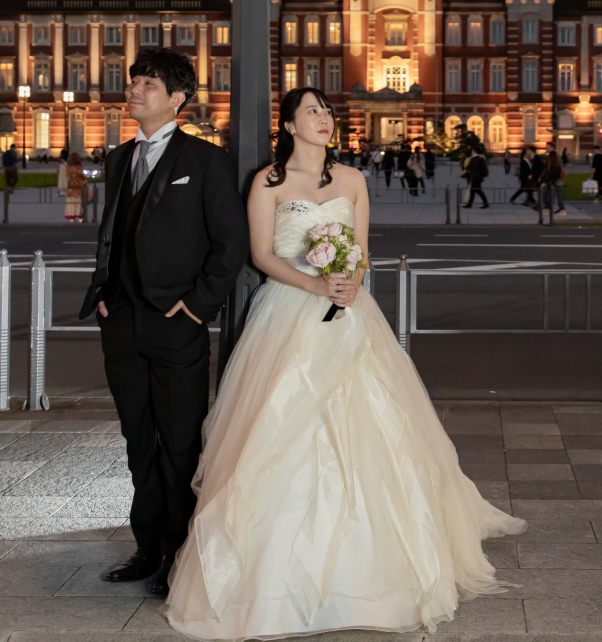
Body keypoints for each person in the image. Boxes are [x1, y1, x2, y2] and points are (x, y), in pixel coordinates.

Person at [165, 88, 526, 638]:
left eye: (327, 111)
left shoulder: (352, 181)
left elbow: (362, 248)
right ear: (287, 125)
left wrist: (350, 280)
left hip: (349, 310)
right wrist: (313, 282)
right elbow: (261, 254)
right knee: (280, 424)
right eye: (312, 111)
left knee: (373, 420)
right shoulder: (267, 182)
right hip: (288, 310)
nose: (324, 119)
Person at [79, 48, 250, 597]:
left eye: (147, 84)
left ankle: (181, 552)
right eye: (134, 83)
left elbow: (230, 244)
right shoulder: (119, 157)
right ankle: (147, 545)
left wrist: (198, 306)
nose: (134, 91)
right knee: (138, 440)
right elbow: (113, 232)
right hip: (123, 320)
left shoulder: (205, 160)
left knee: (180, 442)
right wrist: (104, 292)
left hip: (178, 323)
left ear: (178, 98)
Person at [540, 141, 567, 217]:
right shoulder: (554, 159)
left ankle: (562, 209)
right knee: (549, 194)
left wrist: (545, 181)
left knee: (557, 195)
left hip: (556, 180)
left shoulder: (553, 157)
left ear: (552, 147)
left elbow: (550, 171)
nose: (547, 148)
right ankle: (550, 208)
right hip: (555, 180)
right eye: (546, 146)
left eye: (548, 147)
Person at [65, 152, 86, 222]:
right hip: (79, 187)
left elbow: (67, 177)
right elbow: (83, 178)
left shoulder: (68, 168)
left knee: (71, 202)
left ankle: (71, 217)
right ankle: (80, 216)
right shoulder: (80, 168)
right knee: (79, 202)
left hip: (70, 187)